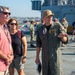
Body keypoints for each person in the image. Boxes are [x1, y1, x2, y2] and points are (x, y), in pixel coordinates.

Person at [35, 9, 68, 75]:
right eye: (48, 16)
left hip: (55, 58)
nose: (50, 18)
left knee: (56, 72)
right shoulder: (40, 29)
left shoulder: (57, 26)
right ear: (43, 18)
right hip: (45, 58)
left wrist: (63, 37)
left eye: (51, 16)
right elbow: (38, 44)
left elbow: (65, 40)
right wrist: (37, 57)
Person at [0, 6, 13, 75]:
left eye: (9, 13)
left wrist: (12, 55)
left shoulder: (5, 28)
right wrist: (7, 58)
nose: (8, 15)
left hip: (6, 66)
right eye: (5, 13)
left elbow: (9, 44)